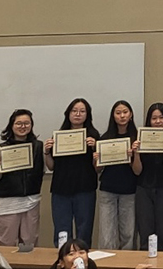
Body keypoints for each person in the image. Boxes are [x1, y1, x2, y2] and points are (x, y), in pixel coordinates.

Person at [45, 98, 100, 247]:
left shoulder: (93, 136)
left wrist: (96, 149)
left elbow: (98, 168)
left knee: (84, 231)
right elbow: (51, 167)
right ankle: (63, 261)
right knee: (62, 231)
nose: (78, 114)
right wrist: (47, 152)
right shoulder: (58, 137)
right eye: (74, 111)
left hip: (85, 190)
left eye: (82, 111)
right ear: (68, 114)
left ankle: (82, 260)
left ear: (87, 115)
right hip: (61, 190)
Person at [0, 109, 45, 247]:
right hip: (8, 204)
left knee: (29, 243)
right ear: (12, 126)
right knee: (6, 243)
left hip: (31, 202)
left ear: (31, 125)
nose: (23, 126)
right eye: (19, 123)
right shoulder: (2, 148)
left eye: (26, 123)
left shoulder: (38, 147)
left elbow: (43, 170)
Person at [131, 103, 163, 251]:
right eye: (154, 118)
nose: (158, 121)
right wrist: (136, 153)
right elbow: (137, 171)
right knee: (145, 233)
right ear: (149, 121)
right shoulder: (141, 139)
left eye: (161, 118)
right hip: (143, 189)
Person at [95, 100, 138, 250]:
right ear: (113, 116)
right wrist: (97, 159)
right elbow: (98, 169)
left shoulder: (136, 138)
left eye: (125, 112)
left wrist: (133, 155)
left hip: (129, 190)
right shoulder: (105, 138)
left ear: (131, 114)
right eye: (118, 113)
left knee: (128, 234)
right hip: (108, 190)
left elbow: (138, 170)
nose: (122, 116)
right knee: (107, 236)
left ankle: (126, 264)